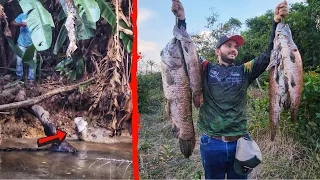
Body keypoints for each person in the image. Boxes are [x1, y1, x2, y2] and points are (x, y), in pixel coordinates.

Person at [171, 0, 289, 179]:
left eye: (235, 47)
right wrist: (181, 20)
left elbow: (268, 55)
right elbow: (186, 50)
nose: (233, 49)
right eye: (228, 45)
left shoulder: (245, 71)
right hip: (211, 143)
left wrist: (276, 22)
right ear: (217, 50)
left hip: (240, 143)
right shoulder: (205, 67)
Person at [11, 12, 35, 86]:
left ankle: (31, 80)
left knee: (32, 62)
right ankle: (19, 78)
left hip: (33, 44)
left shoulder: (36, 15)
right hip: (21, 43)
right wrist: (21, 24)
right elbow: (12, 23)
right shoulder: (22, 15)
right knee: (19, 61)